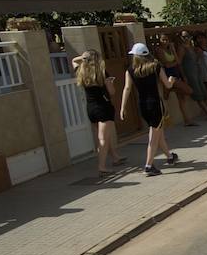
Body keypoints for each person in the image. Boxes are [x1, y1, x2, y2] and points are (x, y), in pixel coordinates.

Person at [121, 42, 178, 176]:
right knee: (154, 136)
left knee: (158, 132)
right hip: (155, 104)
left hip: (143, 105)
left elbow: (127, 88)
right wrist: (172, 80)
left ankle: (170, 157)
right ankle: (149, 165)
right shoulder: (155, 66)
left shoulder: (130, 70)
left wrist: (122, 107)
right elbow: (168, 85)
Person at [72, 49, 125, 175]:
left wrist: (84, 58)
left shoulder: (81, 71)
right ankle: (102, 166)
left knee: (104, 136)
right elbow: (112, 92)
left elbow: (74, 60)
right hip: (103, 108)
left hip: (91, 109)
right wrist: (110, 83)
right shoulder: (102, 72)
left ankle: (115, 157)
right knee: (102, 139)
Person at [180, 32, 207, 121]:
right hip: (190, 73)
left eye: (188, 36)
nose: (186, 38)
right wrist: (184, 76)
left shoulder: (192, 47)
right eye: (184, 37)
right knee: (198, 94)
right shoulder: (182, 48)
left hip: (197, 72)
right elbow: (179, 63)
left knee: (203, 93)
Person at [155, 36, 195, 125]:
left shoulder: (171, 49)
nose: (165, 41)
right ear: (160, 41)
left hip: (176, 73)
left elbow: (178, 61)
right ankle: (170, 89)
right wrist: (175, 62)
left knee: (181, 98)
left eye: (167, 39)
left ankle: (187, 120)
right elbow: (166, 64)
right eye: (163, 40)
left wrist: (173, 50)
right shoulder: (159, 50)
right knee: (189, 90)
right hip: (168, 75)